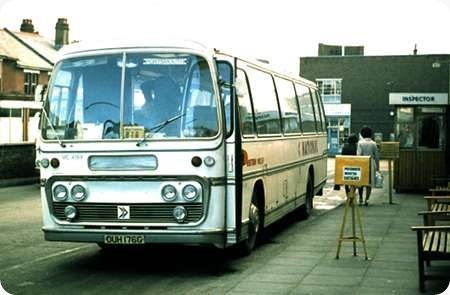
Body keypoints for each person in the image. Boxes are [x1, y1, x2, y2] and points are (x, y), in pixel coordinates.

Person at [357, 126, 380, 206]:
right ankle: (367, 200)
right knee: (369, 183)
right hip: (371, 163)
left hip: (362, 164)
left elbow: (358, 155)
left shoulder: (360, 143)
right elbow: (377, 156)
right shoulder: (373, 143)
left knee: (361, 182)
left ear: (362, 134)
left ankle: (360, 198)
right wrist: (377, 167)